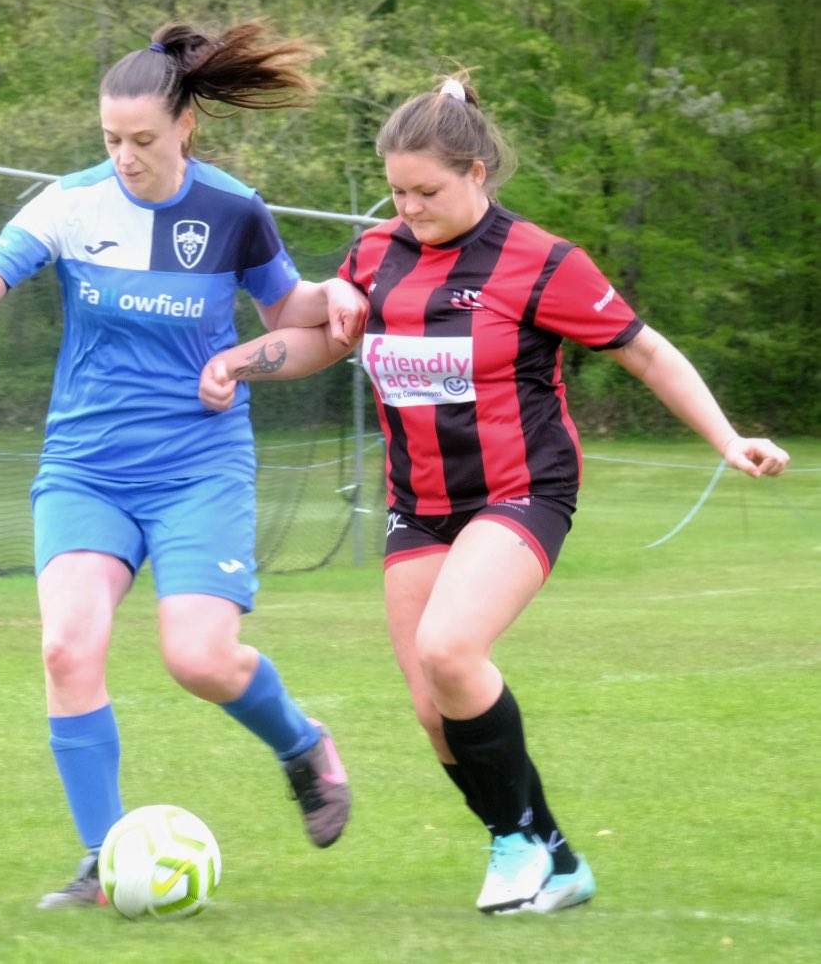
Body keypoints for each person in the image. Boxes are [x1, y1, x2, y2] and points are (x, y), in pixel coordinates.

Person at [199, 69, 790, 915]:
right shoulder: (373, 256)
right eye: (395, 191)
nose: (407, 206)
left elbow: (646, 351)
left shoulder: (541, 261)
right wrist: (236, 365)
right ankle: (552, 856)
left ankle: (516, 846)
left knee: (449, 648)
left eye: (426, 190)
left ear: (476, 173)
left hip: (521, 492)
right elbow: (315, 343)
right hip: (417, 503)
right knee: (432, 708)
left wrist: (728, 438)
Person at [0, 20, 364, 909]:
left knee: (199, 658)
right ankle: (103, 861)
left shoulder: (232, 211)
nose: (125, 157)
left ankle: (302, 745)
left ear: (184, 129)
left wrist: (278, 337)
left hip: (198, 468)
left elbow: (298, 320)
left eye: (141, 140)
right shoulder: (66, 203)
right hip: (87, 468)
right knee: (66, 646)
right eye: (110, 139)